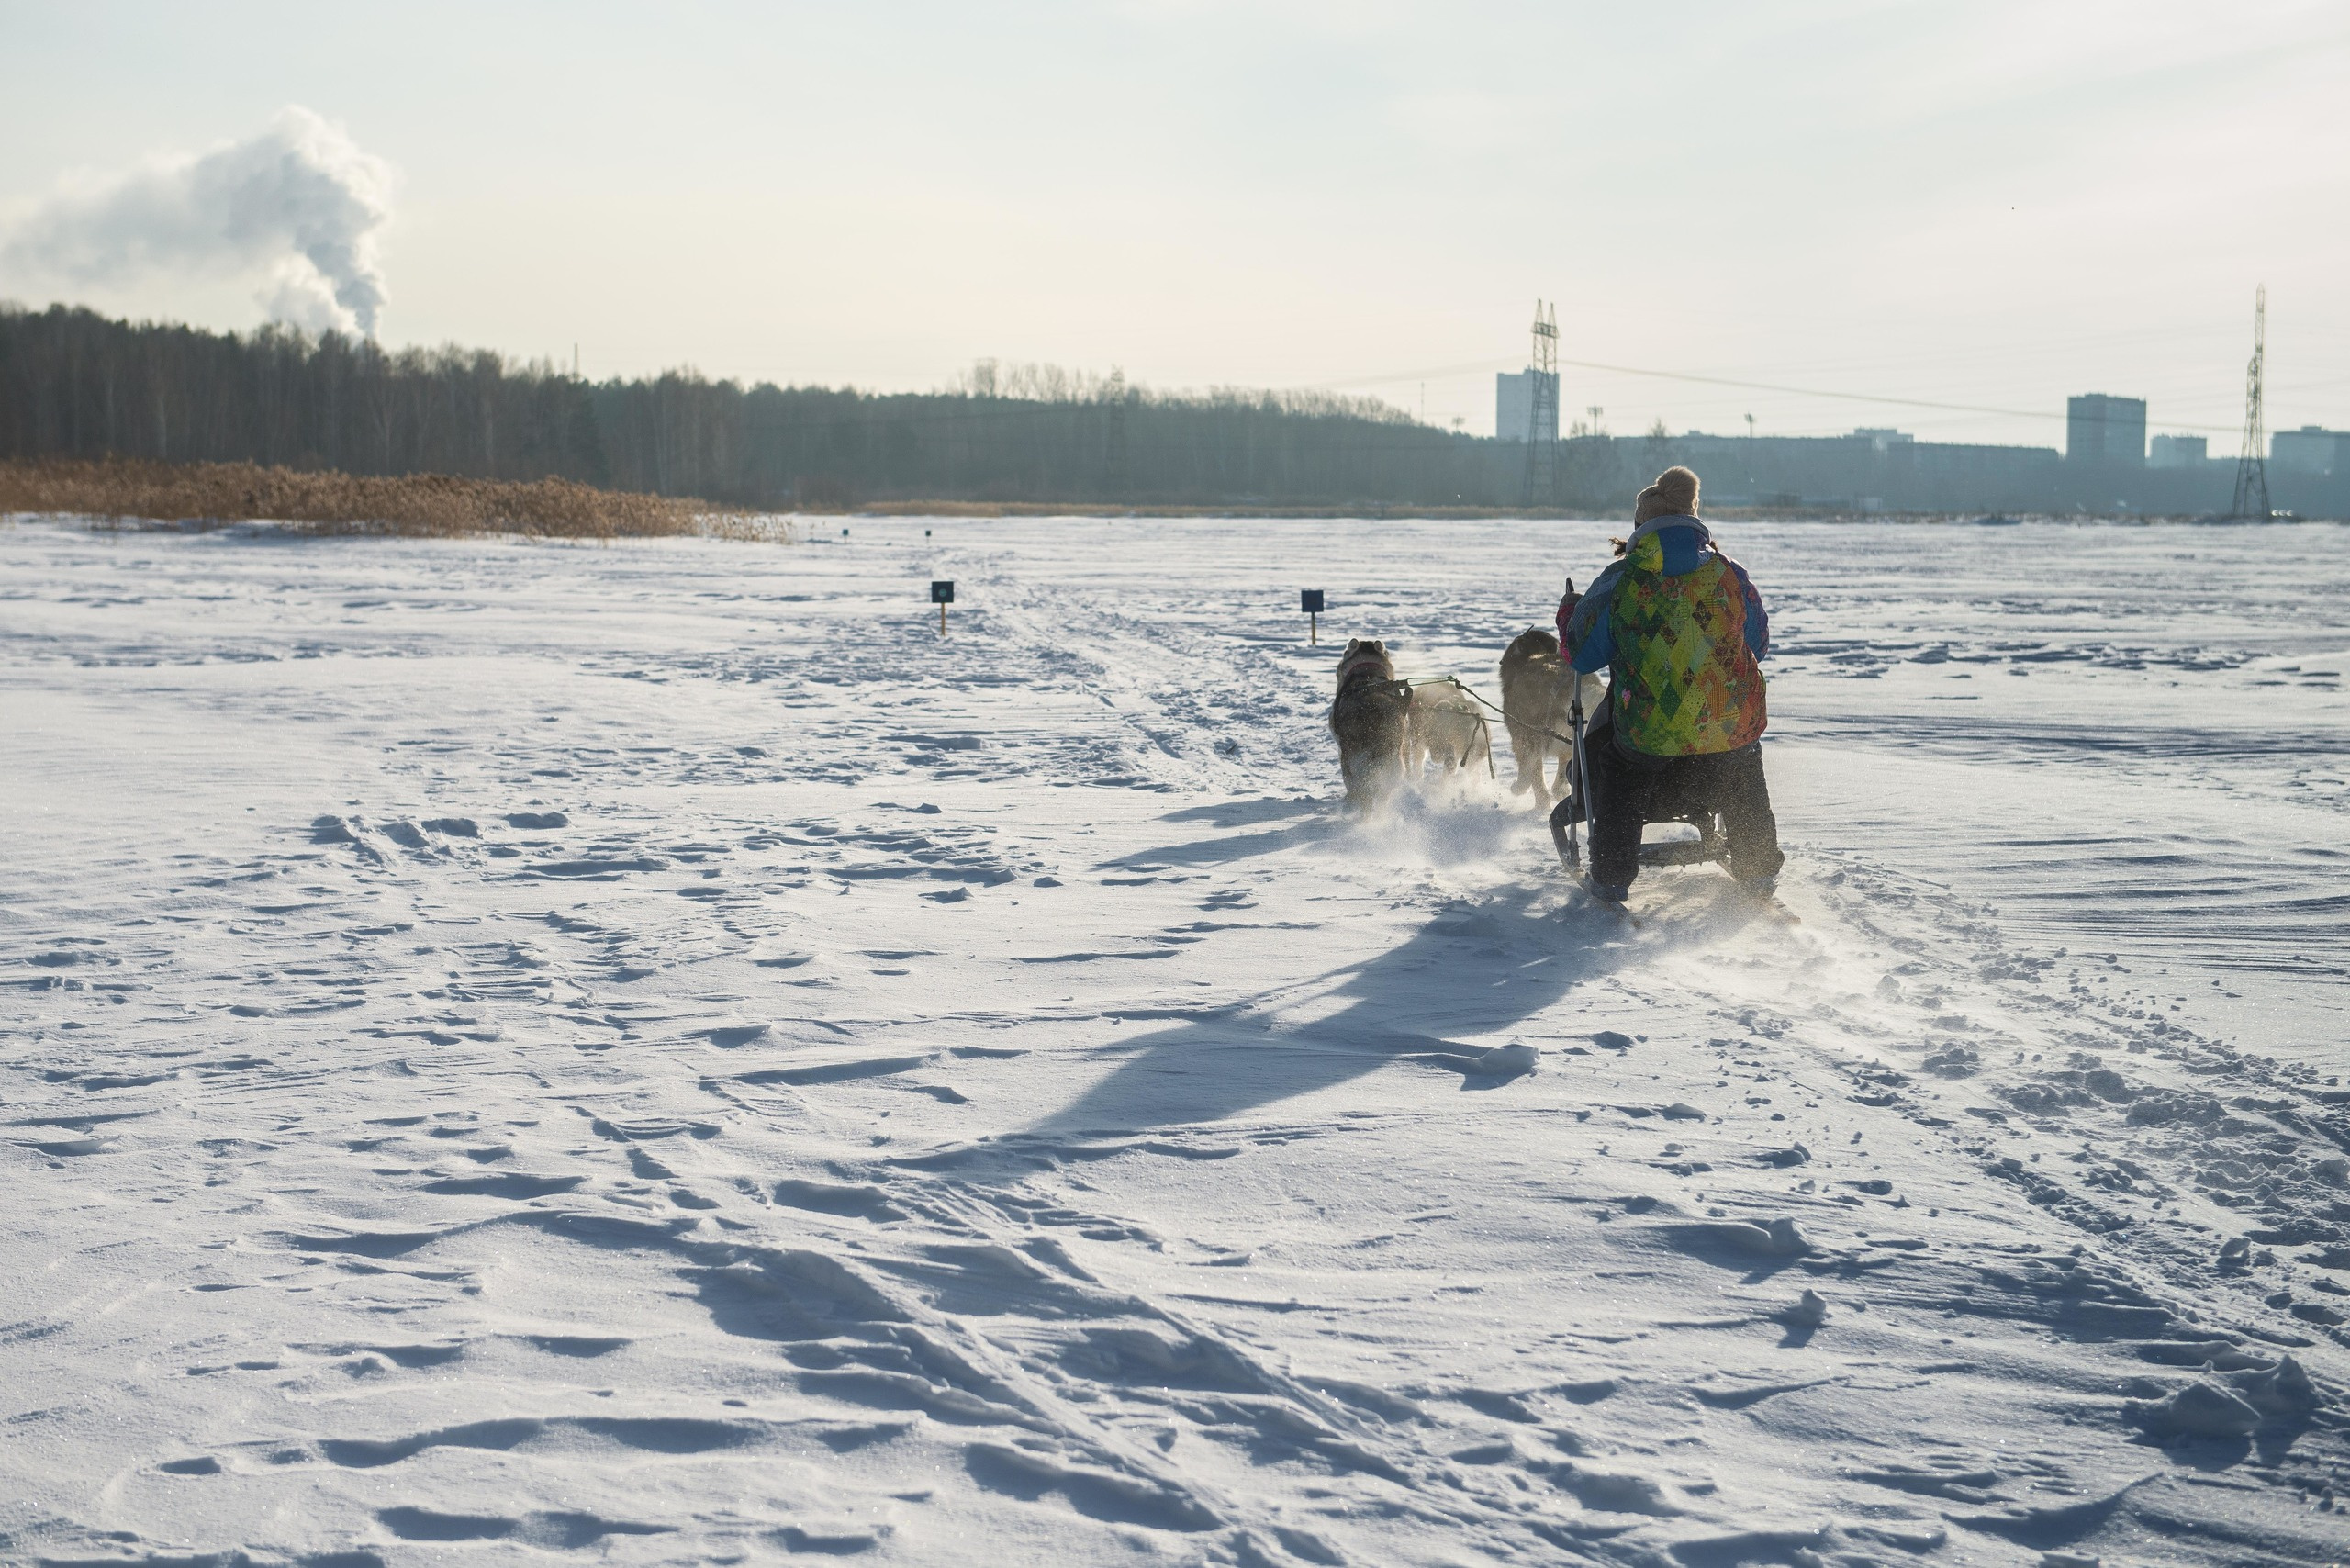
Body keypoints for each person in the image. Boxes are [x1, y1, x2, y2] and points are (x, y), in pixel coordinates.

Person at [1550, 465, 1785, 904]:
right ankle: (1757, 868)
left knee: (1620, 770)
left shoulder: (1619, 581)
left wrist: (1569, 613)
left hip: (1649, 727)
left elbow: (1581, 656)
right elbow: (1760, 643)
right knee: (1741, 763)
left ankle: (1612, 876)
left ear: (1641, 527)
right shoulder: (1730, 574)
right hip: (1730, 720)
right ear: (1694, 518)